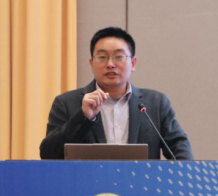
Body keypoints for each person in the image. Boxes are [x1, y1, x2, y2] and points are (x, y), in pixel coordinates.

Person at [39, 26, 193, 160]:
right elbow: (48, 154)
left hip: (140, 184)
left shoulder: (155, 103)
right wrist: (84, 117)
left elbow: (180, 148)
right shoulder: (66, 103)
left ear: (133, 63)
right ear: (91, 64)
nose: (110, 64)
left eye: (119, 57)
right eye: (102, 57)